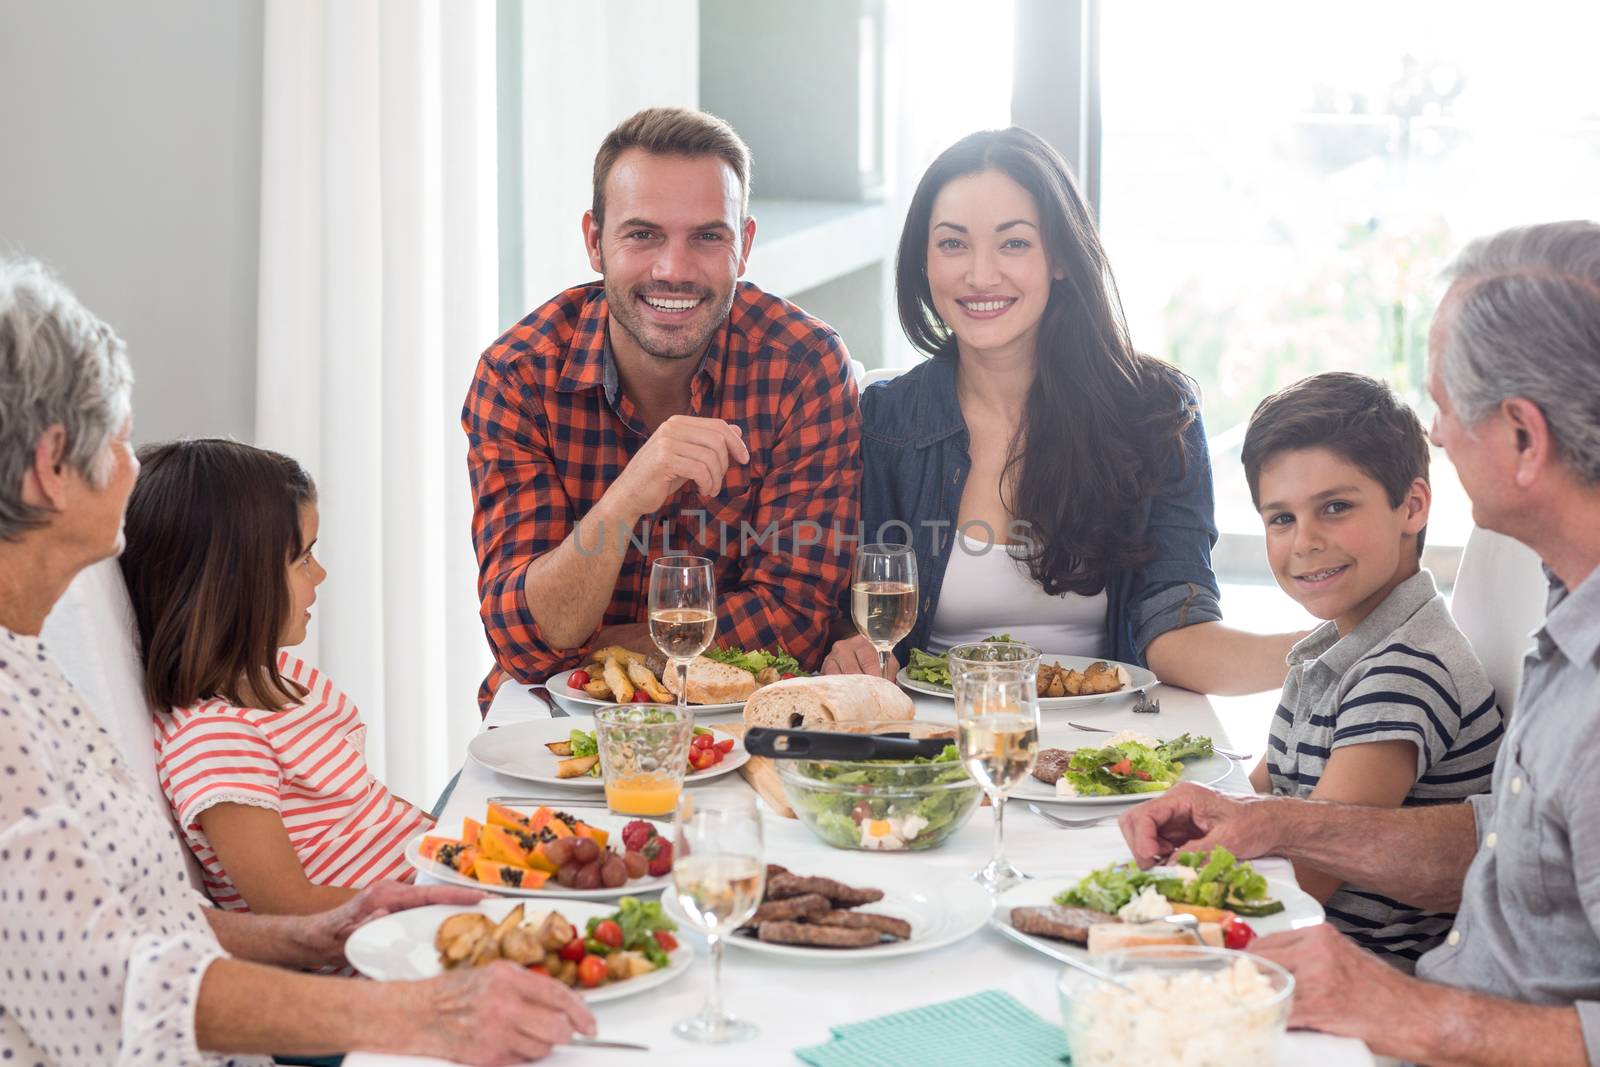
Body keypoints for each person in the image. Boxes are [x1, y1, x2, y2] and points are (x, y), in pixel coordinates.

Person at [0, 257, 593, 1064]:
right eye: (124, 440)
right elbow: (109, 986)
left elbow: (145, 919)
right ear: (53, 463)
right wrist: (419, 1015)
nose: (135, 470)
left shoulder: (33, 671)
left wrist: (314, 931)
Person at [1119, 221, 1600, 1065]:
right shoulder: (1562, 610)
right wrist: (1265, 822)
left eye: (1447, 409)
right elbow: (1507, 842)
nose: (1438, 434)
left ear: (1523, 437)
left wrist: (1408, 1012)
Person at [821, 128, 1298, 692]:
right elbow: (848, 624)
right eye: (953, 244)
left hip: (1104, 749)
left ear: (1062, 259)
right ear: (923, 262)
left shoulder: (1155, 413)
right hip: (937, 746)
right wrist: (851, 654)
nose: (980, 274)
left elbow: (1176, 630)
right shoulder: (883, 423)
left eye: (1014, 243)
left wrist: (1343, 644)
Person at [463, 106, 861, 712]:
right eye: (642, 234)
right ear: (595, 242)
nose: (674, 270)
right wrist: (630, 493)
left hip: (736, 719)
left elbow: (796, 620)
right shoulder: (519, 376)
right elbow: (528, 642)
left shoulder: (802, 365)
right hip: (550, 721)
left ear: (744, 246)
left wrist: (598, 645)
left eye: (707, 236)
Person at [1239, 371, 1502, 967]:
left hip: (1356, 969)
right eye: (1280, 519)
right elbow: (1256, 793)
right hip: (1302, 938)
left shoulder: (1403, 672)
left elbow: (1311, 870)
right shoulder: (1336, 647)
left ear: (1412, 506)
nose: (1304, 542)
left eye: (1335, 507)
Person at [117, 438, 432, 916]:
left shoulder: (279, 676)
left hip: (422, 886)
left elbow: (367, 807)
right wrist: (438, 904)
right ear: (234, 586)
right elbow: (289, 906)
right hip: (383, 941)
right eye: (304, 559)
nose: (320, 574)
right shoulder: (216, 741)